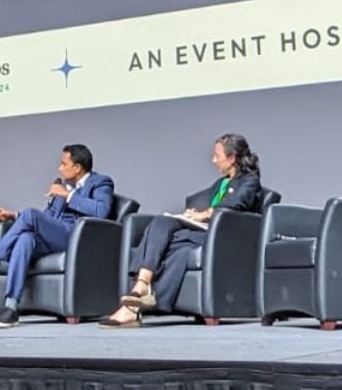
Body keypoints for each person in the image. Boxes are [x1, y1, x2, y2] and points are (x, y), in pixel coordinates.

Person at [101, 133, 264, 327]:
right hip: (200, 233)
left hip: (221, 237)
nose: (213, 160)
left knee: (162, 240)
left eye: (217, 155)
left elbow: (236, 204)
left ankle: (134, 299)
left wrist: (204, 214)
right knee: (162, 225)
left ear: (232, 158)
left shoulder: (249, 180)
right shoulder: (220, 184)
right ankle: (139, 290)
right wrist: (192, 214)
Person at [0, 144, 114, 328]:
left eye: (63, 164)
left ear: (77, 167)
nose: (59, 168)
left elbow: (101, 211)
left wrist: (68, 195)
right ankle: (11, 308)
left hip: (77, 239)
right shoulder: (62, 186)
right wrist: (14, 216)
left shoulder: (100, 182)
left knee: (30, 214)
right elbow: (46, 218)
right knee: (26, 239)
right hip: (57, 236)